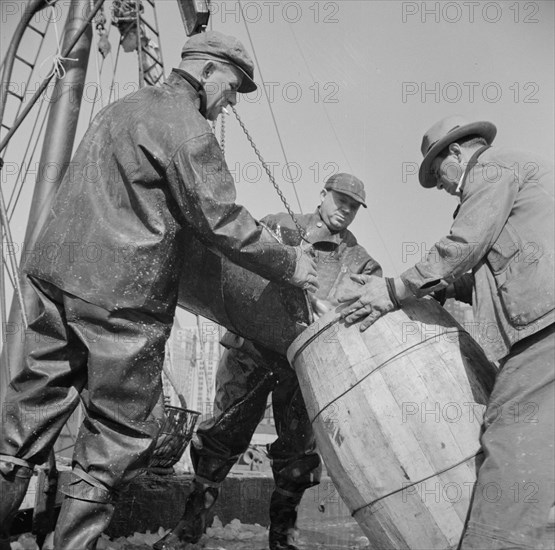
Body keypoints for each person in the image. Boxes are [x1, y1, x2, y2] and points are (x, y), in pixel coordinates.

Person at [0, 31, 319, 550]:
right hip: (120, 297)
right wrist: (291, 265)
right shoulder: (189, 130)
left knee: (25, 420)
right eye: (233, 87)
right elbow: (223, 222)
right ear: (208, 71)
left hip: (53, 279)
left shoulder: (119, 109)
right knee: (116, 437)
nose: (231, 101)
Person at [337, 115, 554, 550]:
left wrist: (395, 290)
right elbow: (491, 272)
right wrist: (441, 289)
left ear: (456, 152)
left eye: (437, 173)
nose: (440, 185)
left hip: (544, 327)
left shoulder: (493, 170)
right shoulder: (521, 176)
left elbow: (463, 245)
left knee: (509, 432)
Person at [154, 173, 383, 550]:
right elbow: (239, 264)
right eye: (340, 199)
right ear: (322, 195)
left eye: (353, 205)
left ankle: (283, 538)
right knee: (221, 435)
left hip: (303, 367)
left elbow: (360, 315)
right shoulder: (280, 225)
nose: (345, 209)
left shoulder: (360, 262)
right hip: (251, 349)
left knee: (297, 452)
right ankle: (190, 527)